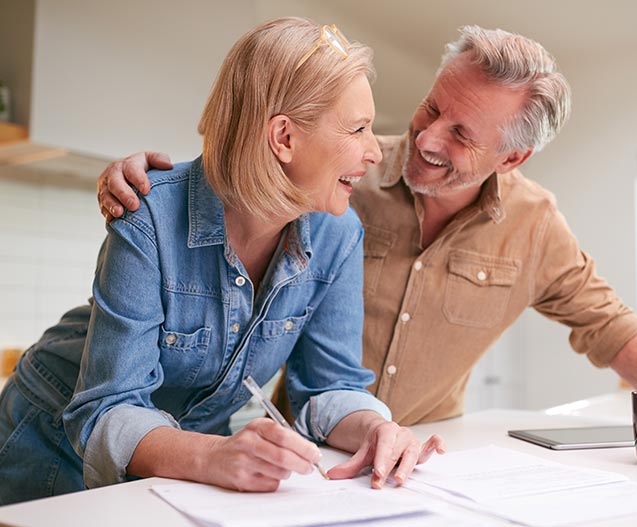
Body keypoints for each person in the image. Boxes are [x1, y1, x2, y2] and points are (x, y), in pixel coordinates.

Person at [98, 26, 637, 458]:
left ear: (511, 159)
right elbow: (241, 177)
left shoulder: (534, 225)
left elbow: (611, 327)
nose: (426, 139)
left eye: (463, 134)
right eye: (434, 108)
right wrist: (157, 178)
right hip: (300, 448)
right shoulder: (341, 181)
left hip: (422, 449)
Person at [0, 18, 444, 506]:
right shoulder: (149, 214)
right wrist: (214, 456)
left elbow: (330, 385)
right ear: (284, 138)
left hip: (184, 466)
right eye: (358, 129)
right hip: (51, 442)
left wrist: (376, 428)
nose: (372, 152)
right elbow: (108, 408)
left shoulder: (339, 235)